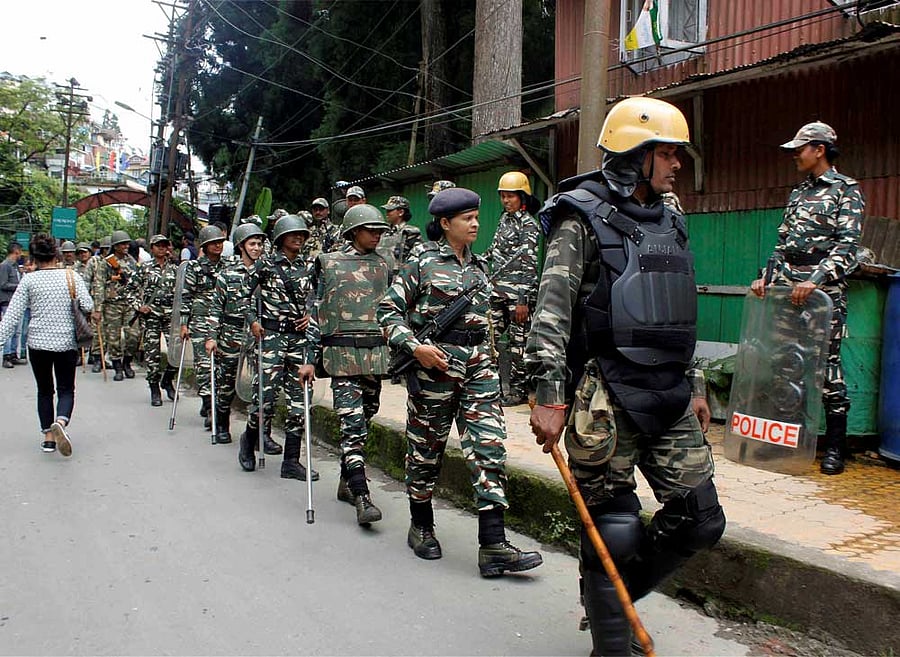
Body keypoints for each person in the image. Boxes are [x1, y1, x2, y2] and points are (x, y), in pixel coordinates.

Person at [526, 96, 726, 656]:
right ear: (635, 155)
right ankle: (612, 643)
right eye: (667, 152)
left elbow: (677, 308)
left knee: (701, 519)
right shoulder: (579, 217)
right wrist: (549, 395)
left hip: (669, 391)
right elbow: (551, 310)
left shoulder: (672, 218)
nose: (677, 163)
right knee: (615, 526)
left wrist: (697, 384)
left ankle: (610, 598)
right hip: (604, 394)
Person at [377, 187, 543, 576]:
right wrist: (416, 347)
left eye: (476, 217)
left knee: (490, 448)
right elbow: (387, 312)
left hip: (479, 370)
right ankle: (421, 526)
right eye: (467, 218)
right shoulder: (422, 263)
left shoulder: (480, 267)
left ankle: (493, 545)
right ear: (445, 223)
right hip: (434, 371)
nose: (475, 224)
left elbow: (488, 322)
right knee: (425, 451)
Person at [750, 121, 864, 476]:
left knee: (826, 366)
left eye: (800, 149)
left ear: (819, 149)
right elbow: (783, 244)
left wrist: (815, 281)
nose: (795, 155)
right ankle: (785, 442)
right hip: (788, 290)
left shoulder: (846, 190)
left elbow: (848, 247)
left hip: (823, 293)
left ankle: (835, 448)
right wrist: (767, 278)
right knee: (785, 362)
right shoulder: (798, 193)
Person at [314, 204, 391, 525]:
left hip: (374, 356)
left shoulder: (384, 265)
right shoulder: (328, 263)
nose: (376, 235)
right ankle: (362, 495)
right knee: (352, 423)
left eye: (380, 231)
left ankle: (346, 482)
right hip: (342, 356)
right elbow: (315, 311)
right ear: (353, 231)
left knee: (367, 415)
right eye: (371, 230)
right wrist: (308, 358)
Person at [237, 214, 320, 481]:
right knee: (264, 398)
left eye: (302, 234)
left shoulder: (310, 266)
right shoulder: (266, 264)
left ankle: (291, 461)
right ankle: (249, 440)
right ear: (281, 238)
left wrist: (311, 314)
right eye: (293, 234)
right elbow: (243, 295)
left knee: (300, 401)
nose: (298, 238)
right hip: (271, 337)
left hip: (299, 340)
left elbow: (318, 297)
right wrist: (253, 321)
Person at [0, 234, 93, 455]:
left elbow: (12, 317)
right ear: (56, 254)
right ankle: (60, 422)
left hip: (38, 344)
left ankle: (49, 439)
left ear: (34, 257)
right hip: (66, 343)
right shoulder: (71, 276)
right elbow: (88, 305)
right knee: (66, 388)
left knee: (44, 390)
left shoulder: (29, 280)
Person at [203, 222, 276, 448]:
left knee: (263, 386)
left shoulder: (270, 272)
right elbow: (216, 308)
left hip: (261, 336)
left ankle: (262, 433)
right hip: (231, 334)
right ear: (241, 246)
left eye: (260, 244)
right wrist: (211, 336)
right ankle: (222, 424)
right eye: (252, 244)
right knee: (225, 383)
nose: (257, 248)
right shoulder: (228, 274)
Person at [487, 172, 541, 407]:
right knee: (490, 339)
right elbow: (494, 250)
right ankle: (492, 387)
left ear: (522, 197)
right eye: (503, 196)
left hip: (517, 296)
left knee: (519, 345)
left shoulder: (529, 225)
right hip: (496, 291)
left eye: (510, 196)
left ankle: (518, 391)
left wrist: (523, 300)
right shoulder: (503, 220)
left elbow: (529, 265)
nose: (506, 201)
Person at [180, 225, 229, 429]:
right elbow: (186, 296)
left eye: (220, 242)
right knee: (204, 364)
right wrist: (184, 324)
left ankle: (215, 402)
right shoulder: (194, 267)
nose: (218, 246)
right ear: (205, 246)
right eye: (213, 243)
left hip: (223, 319)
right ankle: (209, 407)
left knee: (221, 365)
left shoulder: (228, 265)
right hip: (200, 319)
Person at [132, 235, 178, 406]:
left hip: (170, 316)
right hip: (151, 316)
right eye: (158, 245)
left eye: (164, 245)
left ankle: (167, 380)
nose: (161, 248)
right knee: (153, 356)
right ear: (152, 248)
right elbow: (129, 289)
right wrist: (139, 306)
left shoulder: (174, 269)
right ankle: (154, 388)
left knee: (176, 352)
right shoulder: (144, 268)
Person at [91, 230, 141, 382]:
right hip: (112, 304)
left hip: (130, 303)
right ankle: (118, 366)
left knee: (134, 335)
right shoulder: (106, 263)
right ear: (115, 246)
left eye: (127, 244)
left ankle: (127, 362)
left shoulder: (132, 261)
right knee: (113, 338)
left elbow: (138, 282)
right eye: (122, 244)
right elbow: (99, 284)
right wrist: (98, 308)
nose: (126, 246)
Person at [83, 235, 111, 373]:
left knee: (109, 332)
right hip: (97, 300)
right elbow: (87, 281)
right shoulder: (93, 261)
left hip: (113, 301)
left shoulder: (116, 262)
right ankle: (96, 358)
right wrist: (86, 301)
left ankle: (105, 356)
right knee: (97, 330)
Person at [377, 195, 422, 280]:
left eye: (390, 210)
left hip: (399, 279)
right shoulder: (383, 231)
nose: (387, 213)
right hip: (380, 277)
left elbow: (417, 258)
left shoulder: (410, 232)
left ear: (401, 212)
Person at [0, 241, 23, 368]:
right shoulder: (5, 266)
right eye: (20, 252)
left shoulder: (15, 266)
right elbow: (3, 284)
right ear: (15, 252)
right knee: (9, 330)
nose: (21, 255)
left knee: (17, 331)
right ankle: (6, 355)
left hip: (17, 301)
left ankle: (14, 354)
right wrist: (19, 286)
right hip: (7, 302)